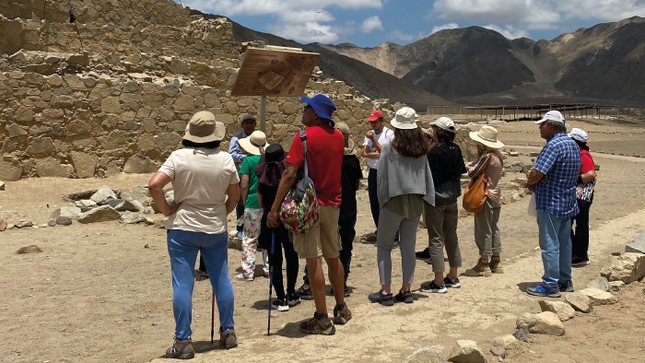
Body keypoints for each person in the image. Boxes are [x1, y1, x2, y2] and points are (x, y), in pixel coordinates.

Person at [149, 111, 240, 359]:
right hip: (215, 228)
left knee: (183, 284)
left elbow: (154, 184)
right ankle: (228, 332)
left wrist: (166, 210)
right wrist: (222, 212)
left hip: (182, 227)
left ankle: (183, 341)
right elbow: (234, 197)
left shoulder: (178, 157)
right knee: (221, 280)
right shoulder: (225, 160)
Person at [267, 94, 351, 335]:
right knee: (333, 256)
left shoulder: (303, 138)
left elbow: (289, 174)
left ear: (315, 113)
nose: (303, 111)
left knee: (313, 259)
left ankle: (322, 318)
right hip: (332, 203)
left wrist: (275, 208)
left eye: (306, 108)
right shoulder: (338, 137)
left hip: (308, 206)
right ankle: (341, 308)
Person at [367, 107, 434, 306]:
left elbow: (383, 176)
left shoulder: (388, 147)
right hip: (414, 202)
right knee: (408, 247)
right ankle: (406, 289)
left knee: (384, 246)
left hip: (393, 201)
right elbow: (425, 174)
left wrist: (381, 201)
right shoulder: (422, 149)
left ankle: (385, 290)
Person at [526, 110, 581, 298]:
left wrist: (530, 180)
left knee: (549, 244)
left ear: (551, 125)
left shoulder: (553, 146)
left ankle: (550, 285)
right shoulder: (572, 144)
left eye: (542, 124)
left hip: (550, 203)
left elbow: (537, 173)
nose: (540, 128)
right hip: (567, 202)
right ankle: (565, 280)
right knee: (565, 243)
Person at [421, 117, 466, 294]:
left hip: (436, 200)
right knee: (451, 235)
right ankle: (453, 276)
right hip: (452, 199)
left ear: (438, 132)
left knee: (435, 238)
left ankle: (438, 281)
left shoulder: (434, 153)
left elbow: (428, 175)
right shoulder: (456, 149)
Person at [256, 144, 300, 311]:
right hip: (288, 221)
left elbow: (261, 202)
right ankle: (291, 294)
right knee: (291, 256)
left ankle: (280, 297)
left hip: (269, 221)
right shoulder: (289, 177)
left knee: (274, 260)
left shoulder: (263, 179)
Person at [465, 126, 505, 276]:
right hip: (496, 194)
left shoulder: (486, 157)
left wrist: (476, 159)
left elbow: (472, 172)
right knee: (494, 227)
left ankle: (483, 262)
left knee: (484, 228)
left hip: (485, 195)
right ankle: (496, 260)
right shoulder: (498, 156)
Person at [235, 131, 270, 281]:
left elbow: (244, 184)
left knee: (250, 237)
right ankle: (269, 268)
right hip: (268, 203)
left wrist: (243, 201)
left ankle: (248, 271)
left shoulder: (248, 161)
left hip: (252, 202)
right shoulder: (269, 160)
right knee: (268, 237)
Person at [361, 110, 395, 235]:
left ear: (382, 121)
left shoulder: (389, 134)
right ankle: (380, 230)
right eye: (371, 122)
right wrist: (380, 153)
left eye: (375, 122)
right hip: (373, 172)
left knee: (386, 202)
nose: (373, 125)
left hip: (385, 172)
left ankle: (393, 234)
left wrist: (374, 142)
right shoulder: (369, 134)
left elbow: (388, 153)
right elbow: (365, 153)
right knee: (374, 202)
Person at [568, 128, 597, 267]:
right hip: (580, 195)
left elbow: (591, 174)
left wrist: (574, 179)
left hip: (582, 196)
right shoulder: (580, 153)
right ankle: (574, 252)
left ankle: (580, 255)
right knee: (574, 225)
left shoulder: (583, 155)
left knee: (579, 226)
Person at [229, 114, 257, 239]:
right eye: (247, 123)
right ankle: (240, 228)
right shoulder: (236, 138)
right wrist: (247, 158)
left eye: (252, 123)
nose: (249, 125)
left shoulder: (258, 137)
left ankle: (253, 227)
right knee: (241, 202)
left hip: (256, 175)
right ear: (242, 125)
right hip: (241, 174)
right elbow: (232, 154)